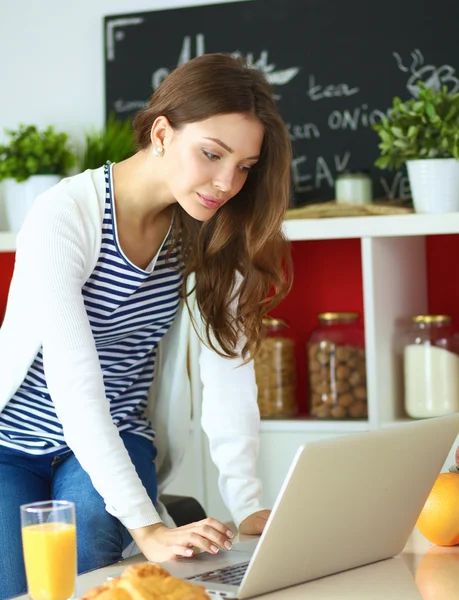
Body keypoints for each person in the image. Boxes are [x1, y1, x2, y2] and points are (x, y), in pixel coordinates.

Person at [0, 53, 292, 600]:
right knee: (18, 588)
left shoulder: (207, 230)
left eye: (245, 166)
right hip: (10, 442)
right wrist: (148, 529)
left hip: (119, 435)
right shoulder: (63, 216)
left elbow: (228, 368)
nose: (227, 182)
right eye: (212, 154)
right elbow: (74, 382)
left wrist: (249, 502)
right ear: (162, 132)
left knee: (87, 570)